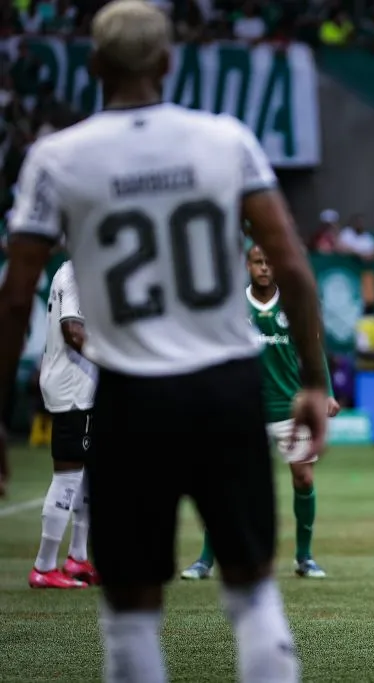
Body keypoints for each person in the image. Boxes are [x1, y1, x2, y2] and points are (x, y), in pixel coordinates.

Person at [0, 2, 328, 681]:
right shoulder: (224, 139)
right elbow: (293, 267)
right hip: (226, 386)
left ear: (93, 65)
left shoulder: (55, 157)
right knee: (252, 589)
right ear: (167, 62)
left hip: (130, 394)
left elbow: (12, 297)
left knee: (131, 607)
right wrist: (316, 381)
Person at [181, 244, 340, 581]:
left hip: (289, 409)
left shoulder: (295, 303)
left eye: (269, 261)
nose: (265, 268)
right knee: (226, 485)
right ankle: (206, 560)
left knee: (304, 478)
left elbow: (314, 352)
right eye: (258, 262)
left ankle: (304, 557)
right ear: (248, 265)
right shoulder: (234, 306)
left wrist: (323, 392)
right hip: (245, 410)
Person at [29, 259, 98, 589]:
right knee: (68, 477)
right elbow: (72, 330)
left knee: (87, 475)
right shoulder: (75, 272)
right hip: (72, 387)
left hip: (85, 386)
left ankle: (78, 559)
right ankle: (44, 566)